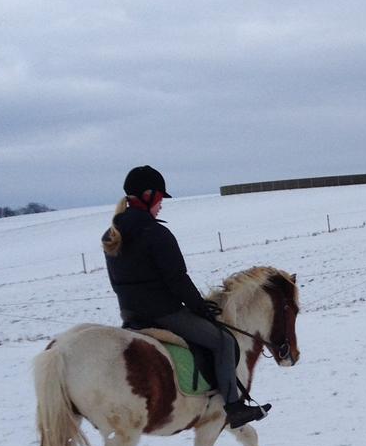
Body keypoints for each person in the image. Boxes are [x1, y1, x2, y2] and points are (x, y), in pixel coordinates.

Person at [102, 165, 267, 428]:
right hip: (165, 314)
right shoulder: (156, 233)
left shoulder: (111, 235)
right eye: (159, 200)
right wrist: (200, 308)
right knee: (223, 341)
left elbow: (116, 282)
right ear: (147, 196)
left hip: (130, 315)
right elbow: (177, 280)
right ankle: (234, 408)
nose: (161, 206)